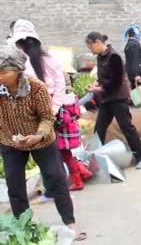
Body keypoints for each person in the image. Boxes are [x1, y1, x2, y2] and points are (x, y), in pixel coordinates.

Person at [0, 44, 78, 229]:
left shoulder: (36, 87)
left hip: (41, 140)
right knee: (14, 185)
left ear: (18, 70)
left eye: (3, 71)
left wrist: (38, 135)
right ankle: (24, 227)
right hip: (10, 142)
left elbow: (46, 117)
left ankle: (69, 223)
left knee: (56, 178)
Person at [11, 19, 92, 193]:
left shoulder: (22, 63)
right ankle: (73, 180)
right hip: (58, 112)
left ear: (19, 43)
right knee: (61, 152)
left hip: (40, 115)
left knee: (51, 154)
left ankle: (57, 188)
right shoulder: (50, 59)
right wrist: (54, 109)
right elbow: (60, 85)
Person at [85, 32, 141, 169]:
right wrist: (97, 85)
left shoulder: (114, 57)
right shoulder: (100, 57)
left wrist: (98, 89)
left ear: (97, 42)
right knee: (99, 129)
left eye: (90, 46)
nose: (90, 50)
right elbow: (104, 78)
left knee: (127, 127)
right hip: (107, 99)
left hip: (118, 98)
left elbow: (115, 81)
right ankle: (94, 160)